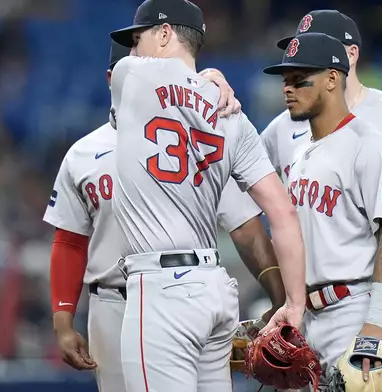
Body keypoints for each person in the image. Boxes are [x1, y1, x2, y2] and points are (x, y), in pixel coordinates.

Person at [205, 9, 382, 391]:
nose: (291, 82)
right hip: (310, 314)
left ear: (348, 57)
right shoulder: (286, 129)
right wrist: (280, 295)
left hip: (380, 300)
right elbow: (237, 200)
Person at [43, 41, 287, 391]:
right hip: (111, 301)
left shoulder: (195, 141)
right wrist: (63, 321)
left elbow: (246, 229)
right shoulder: (83, 154)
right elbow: (69, 240)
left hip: (181, 293)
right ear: (114, 78)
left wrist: (280, 299)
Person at [108, 0, 307, 390]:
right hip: (215, 291)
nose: (133, 49)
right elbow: (283, 212)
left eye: (139, 38)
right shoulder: (233, 114)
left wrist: (208, 76)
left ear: (165, 33)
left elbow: (155, 76)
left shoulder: (129, 74)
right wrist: (294, 303)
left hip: (162, 289)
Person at [262, 31, 382, 386]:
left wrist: (374, 322)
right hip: (307, 315)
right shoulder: (299, 152)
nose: (288, 90)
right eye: (286, 82)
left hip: (353, 310)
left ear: (332, 79)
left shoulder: (370, 146)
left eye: (300, 81)